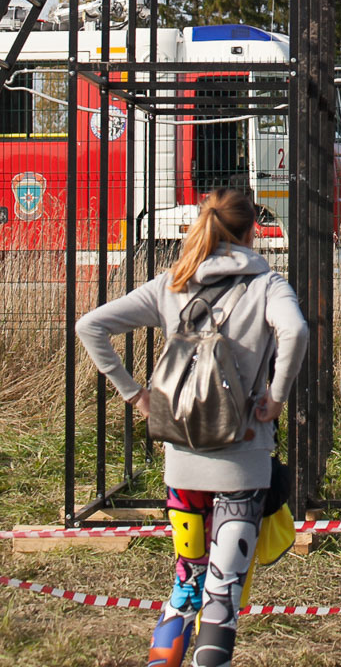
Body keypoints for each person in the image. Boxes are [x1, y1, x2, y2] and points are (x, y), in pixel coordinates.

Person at [75, 189, 309, 667]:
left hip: (181, 466)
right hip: (241, 466)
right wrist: (276, 398)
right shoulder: (268, 285)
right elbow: (296, 332)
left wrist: (134, 393)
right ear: (249, 233)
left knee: (185, 584)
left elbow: (90, 326)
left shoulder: (172, 283)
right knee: (221, 599)